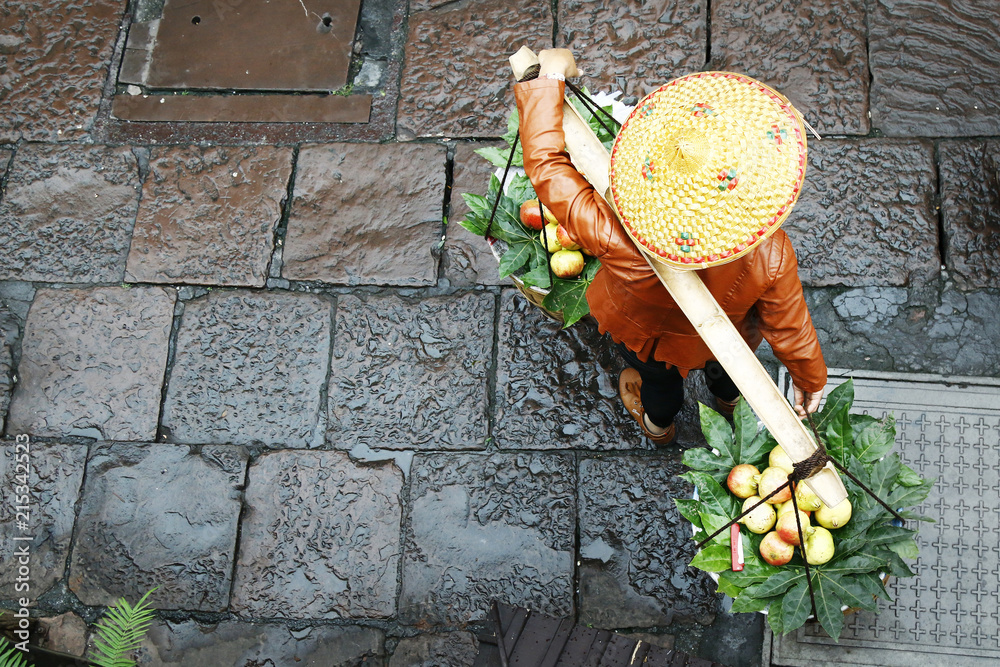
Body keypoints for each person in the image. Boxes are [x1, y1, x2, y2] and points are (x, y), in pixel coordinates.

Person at [513, 49, 827, 445]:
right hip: (726, 339)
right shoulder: (772, 253)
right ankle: (727, 402)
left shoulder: (619, 230)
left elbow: (546, 166)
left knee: (658, 384)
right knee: (731, 371)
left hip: (650, 339)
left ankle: (658, 426)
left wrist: (550, 78)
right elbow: (790, 326)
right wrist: (810, 378)